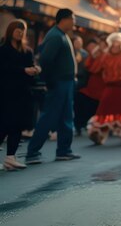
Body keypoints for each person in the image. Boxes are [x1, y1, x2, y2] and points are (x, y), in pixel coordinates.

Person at [26, 9, 80, 164]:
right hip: (59, 83)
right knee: (49, 117)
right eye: (73, 18)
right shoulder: (55, 36)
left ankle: (64, 150)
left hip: (66, 83)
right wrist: (49, 82)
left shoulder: (61, 35)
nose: (74, 22)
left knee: (66, 117)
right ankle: (32, 152)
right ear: (64, 19)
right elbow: (46, 61)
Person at [87, 33, 121, 146]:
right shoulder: (104, 56)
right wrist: (94, 56)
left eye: (118, 43)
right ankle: (98, 132)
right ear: (110, 44)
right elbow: (94, 69)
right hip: (110, 88)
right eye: (114, 43)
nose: (116, 45)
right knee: (104, 112)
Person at [1, 20, 39, 170]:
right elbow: (3, 69)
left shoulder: (27, 51)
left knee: (17, 126)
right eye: (17, 29)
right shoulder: (3, 49)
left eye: (22, 30)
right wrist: (23, 70)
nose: (20, 32)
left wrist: (35, 70)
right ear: (10, 31)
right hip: (6, 93)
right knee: (4, 125)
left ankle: (11, 157)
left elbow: (30, 69)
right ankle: (10, 157)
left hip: (23, 93)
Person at [74, 39, 101, 135]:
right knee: (80, 104)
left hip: (98, 87)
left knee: (93, 107)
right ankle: (79, 125)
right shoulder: (86, 56)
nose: (93, 48)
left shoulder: (102, 57)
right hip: (86, 86)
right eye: (91, 46)